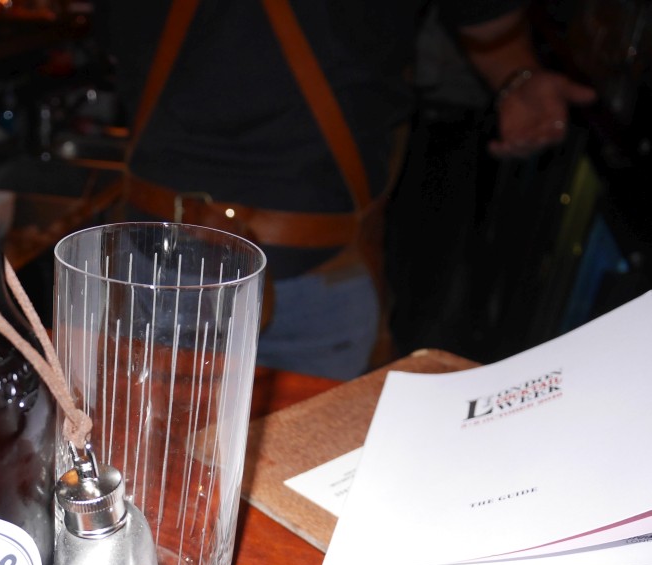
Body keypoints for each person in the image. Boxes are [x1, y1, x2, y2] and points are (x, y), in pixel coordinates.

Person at [97, 1, 596, 380]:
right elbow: (489, 23)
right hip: (180, 266)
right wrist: (517, 75)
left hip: (282, 273)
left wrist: (518, 78)